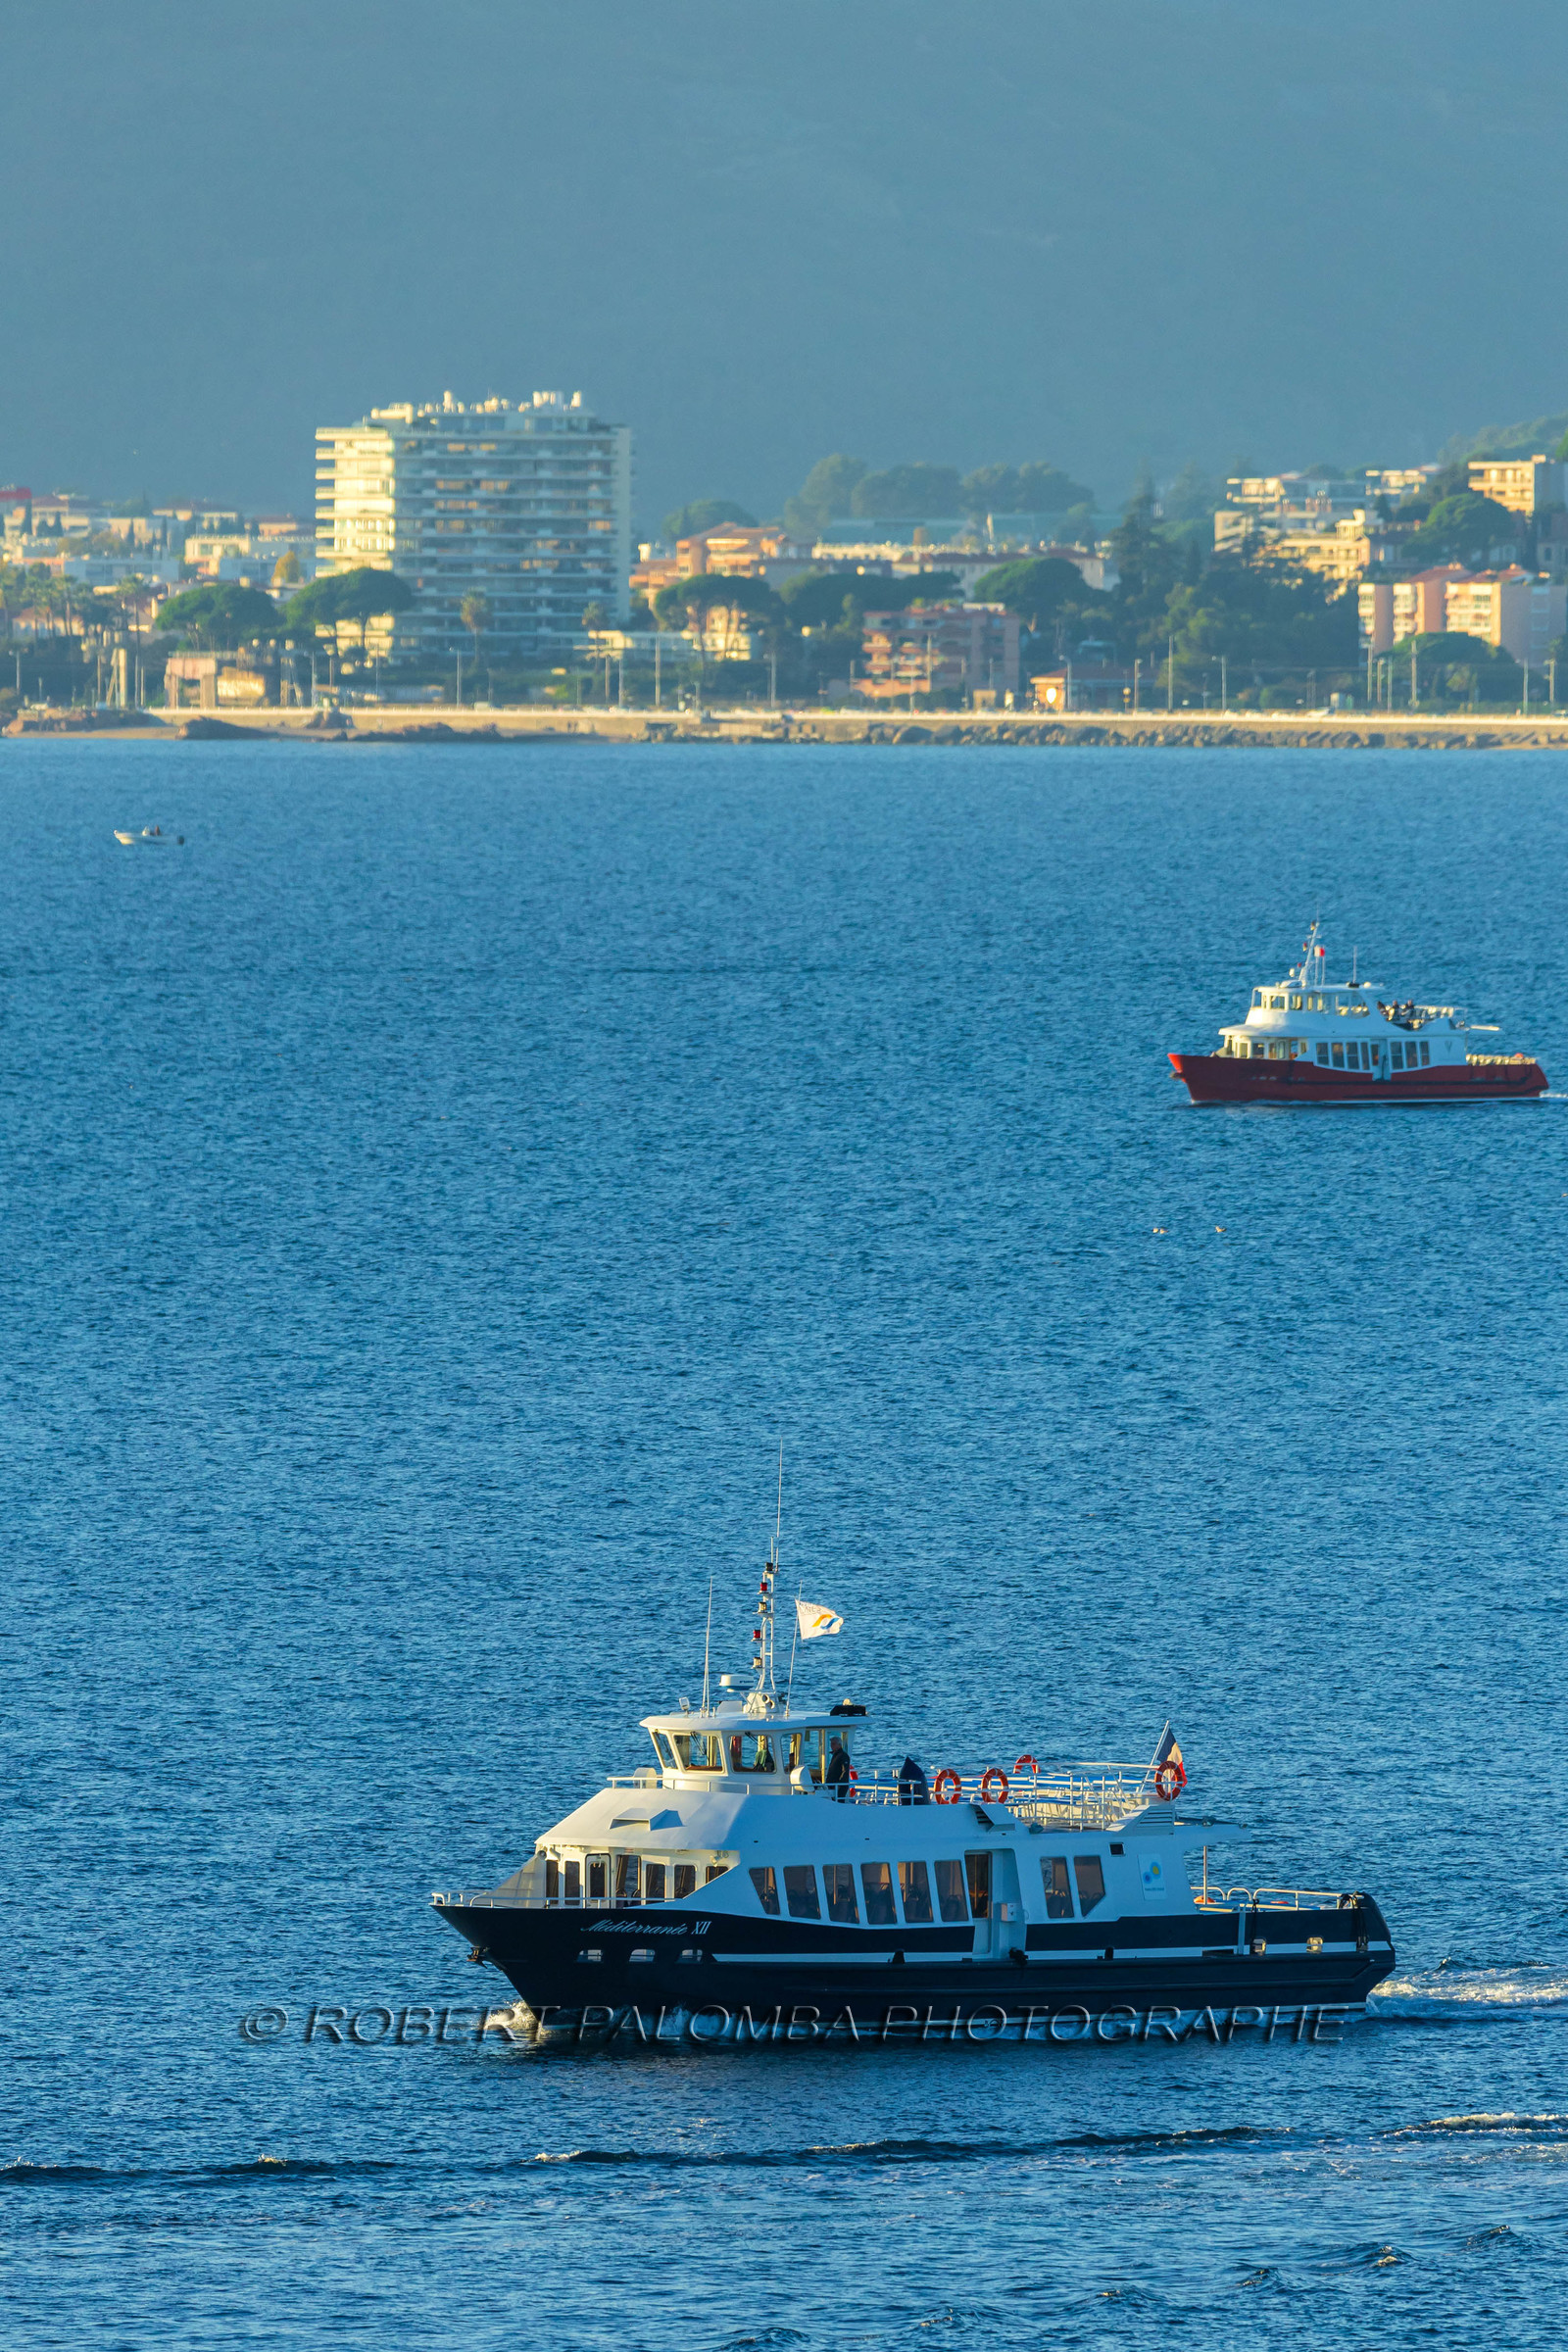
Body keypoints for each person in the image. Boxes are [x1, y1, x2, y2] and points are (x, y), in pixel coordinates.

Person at [825, 1735, 850, 1801]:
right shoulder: (835, 1755)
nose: (831, 1746)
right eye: (831, 1744)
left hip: (839, 1786)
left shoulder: (843, 1755)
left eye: (833, 1744)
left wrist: (839, 1784)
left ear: (839, 1745)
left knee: (839, 1802)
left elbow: (845, 1771)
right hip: (832, 1784)